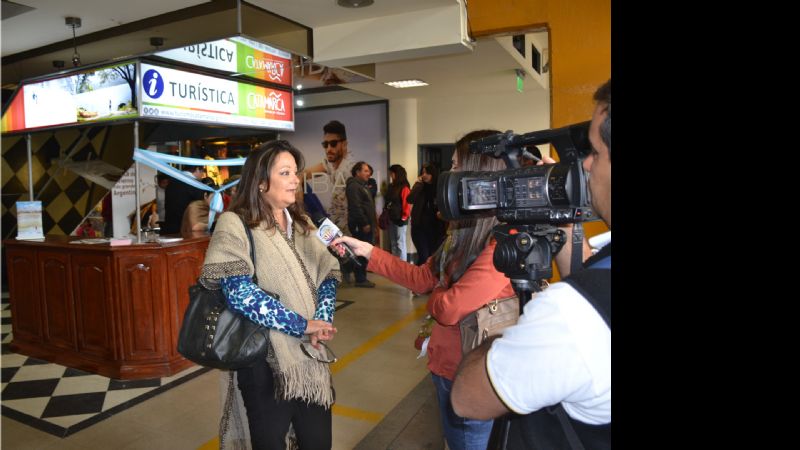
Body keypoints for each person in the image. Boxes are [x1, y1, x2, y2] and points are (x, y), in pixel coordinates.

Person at [450, 80, 612, 450]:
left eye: (597, 153)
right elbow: (592, 277)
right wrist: (562, 218)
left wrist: (503, 338)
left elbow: (467, 398)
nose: (585, 165)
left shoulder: (570, 314)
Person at [332, 130, 513, 450]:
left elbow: (449, 307)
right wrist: (369, 252)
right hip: (443, 366)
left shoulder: (504, 241)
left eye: (456, 166)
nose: (449, 175)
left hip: (473, 376)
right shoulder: (461, 233)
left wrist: (440, 293)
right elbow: (421, 278)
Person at [199, 139, 340, 450]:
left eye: (296, 172)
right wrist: (303, 325)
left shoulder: (302, 223)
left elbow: (328, 272)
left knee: (318, 441)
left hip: (309, 360)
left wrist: (322, 318)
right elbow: (239, 293)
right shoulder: (234, 224)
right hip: (263, 359)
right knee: (269, 441)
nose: (295, 180)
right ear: (261, 182)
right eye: (286, 172)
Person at [305, 120, 356, 282]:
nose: (329, 149)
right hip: (336, 226)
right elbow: (306, 173)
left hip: (348, 226)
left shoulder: (350, 169)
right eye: (325, 144)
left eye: (333, 144)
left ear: (344, 144)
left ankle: (352, 274)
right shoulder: (331, 163)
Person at [345, 161, 377, 288]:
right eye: (365, 171)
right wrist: (364, 223)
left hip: (365, 224)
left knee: (362, 251)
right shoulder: (354, 186)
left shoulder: (362, 185)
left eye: (368, 171)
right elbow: (356, 207)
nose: (368, 173)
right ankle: (360, 279)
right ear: (357, 172)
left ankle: (354, 272)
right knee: (361, 252)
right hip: (360, 225)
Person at [408, 163, 447, 265]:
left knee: (432, 256)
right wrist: (418, 184)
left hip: (436, 228)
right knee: (423, 256)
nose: (424, 175)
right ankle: (418, 278)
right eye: (423, 172)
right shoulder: (420, 187)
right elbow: (409, 199)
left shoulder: (439, 188)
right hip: (419, 227)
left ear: (433, 174)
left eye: (427, 173)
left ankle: (429, 279)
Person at [162, 164, 206, 235]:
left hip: (169, 227)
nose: (202, 175)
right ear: (197, 169)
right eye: (202, 172)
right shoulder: (194, 184)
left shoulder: (172, 182)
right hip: (186, 229)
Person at [385, 164, 411, 262]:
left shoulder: (404, 187)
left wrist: (403, 218)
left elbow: (406, 204)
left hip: (401, 219)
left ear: (397, 174)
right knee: (393, 243)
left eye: (392, 173)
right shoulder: (391, 186)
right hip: (392, 218)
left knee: (400, 243)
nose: (391, 175)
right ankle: (396, 265)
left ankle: (402, 266)